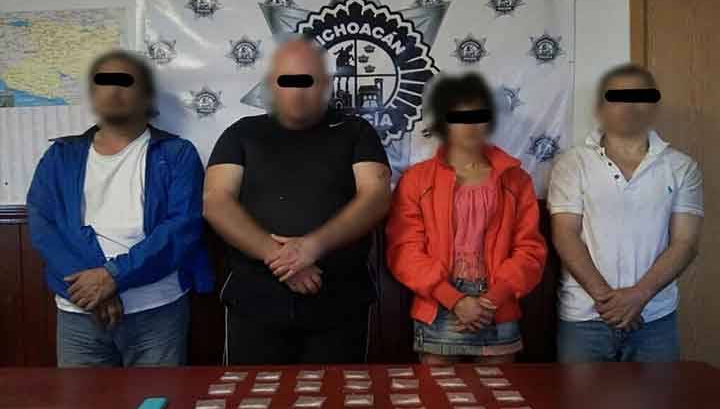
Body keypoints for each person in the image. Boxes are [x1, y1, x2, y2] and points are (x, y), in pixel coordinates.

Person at [203, 37, 391, 364]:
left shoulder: (357, 132)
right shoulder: (241, 133)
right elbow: (215, 201)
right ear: (270, 85)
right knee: (252, 396)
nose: (297, 92)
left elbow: (375, 197)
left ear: (326, 84)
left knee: (338, 396)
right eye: (287, 81)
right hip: (255, 302)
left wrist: (312, 247)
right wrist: (282, 258)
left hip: (340, 302)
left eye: (307, 81)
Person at [26, 50, 214, 367]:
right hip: (79, 313)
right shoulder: (61, 156)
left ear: (146, 95)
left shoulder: (177, 154)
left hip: (156, 312)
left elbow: (181, 228)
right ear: (92, 94)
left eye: (125, 82)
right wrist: (94, 289)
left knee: (158, 400)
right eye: (103, 82)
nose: (113, 91)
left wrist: (113, 278)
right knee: (81, 401)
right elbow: (43, 226)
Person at [386, 72, 547, 366]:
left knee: (501, 393)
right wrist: (454, 299)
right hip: (437, 304)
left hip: (498, 306)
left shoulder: (516, 180)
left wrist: (492, 300)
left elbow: (530, 250)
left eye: (478, 116)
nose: (470, 126)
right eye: (459, 117)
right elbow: (404, 251)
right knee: (437, 394)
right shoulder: (417, 181)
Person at [548, 63, 704, 362]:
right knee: (578, 396)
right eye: (618, 97)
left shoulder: (681, 167)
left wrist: (638, 296)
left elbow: (685, 242)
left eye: (640, 97)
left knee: (658, 396)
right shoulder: (572, 163)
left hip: (654, 317)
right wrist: (611, 302)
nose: (630, 106)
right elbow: (565, 235)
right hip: (584, 318)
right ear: (601, 108)